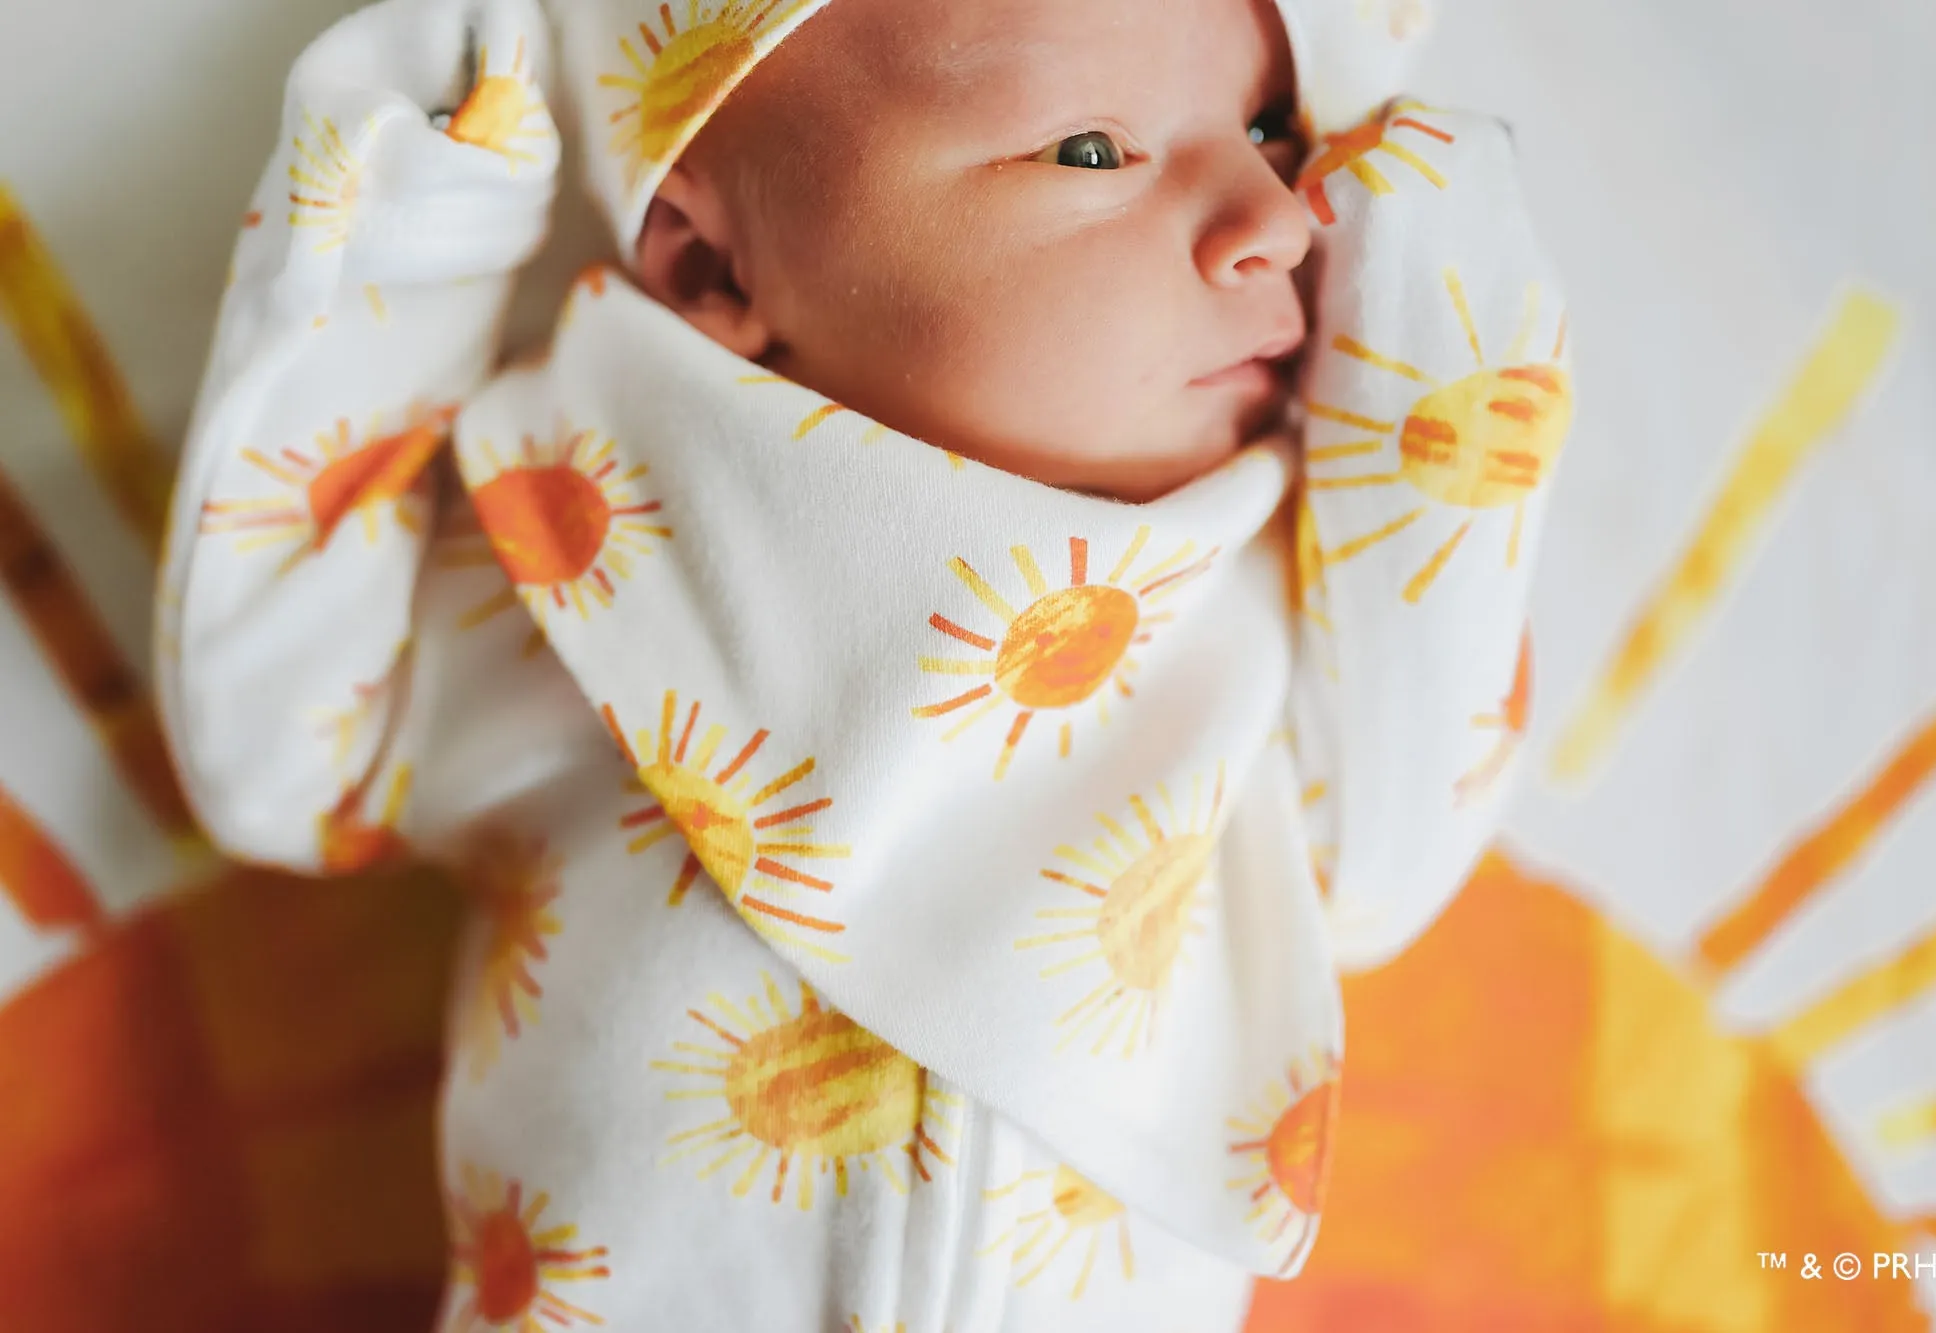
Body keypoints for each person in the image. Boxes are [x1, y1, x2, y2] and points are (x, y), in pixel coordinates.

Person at [154, 0, 1570, 1326]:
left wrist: (1443, 335)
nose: (1272, 219)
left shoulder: (1255, 626)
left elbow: (1386, 858)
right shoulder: (586, 544)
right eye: (1094, 149)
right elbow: (288, 760)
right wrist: (419, 216)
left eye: (1278, 131)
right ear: (717, 267)